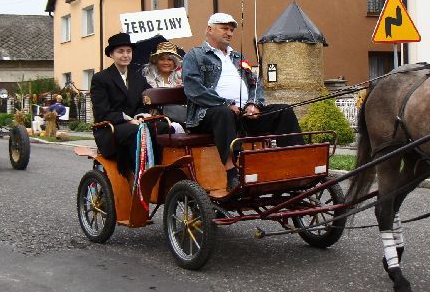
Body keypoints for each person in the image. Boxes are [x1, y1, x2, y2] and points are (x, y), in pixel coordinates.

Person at [182, 12, 303, 190]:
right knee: (224, 113)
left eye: (231, 30)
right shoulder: (195, 55)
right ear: (209, 29)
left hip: (244, 114)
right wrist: (226, 104)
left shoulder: (238, 57)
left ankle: (297, 165)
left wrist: (254, 105)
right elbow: (194, 89)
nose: (229, 33)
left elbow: (255, 83)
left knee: (283, 111)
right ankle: (232, 174)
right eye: (224, 28)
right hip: (208, 115)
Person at [90, 32, 168, 176]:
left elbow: (142, 103)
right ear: (111, 54)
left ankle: (159, 170)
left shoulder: (138, 77)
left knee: (163, 127)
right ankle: (138, 173)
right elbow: (102, 112)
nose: (125, 55)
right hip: (111, 128)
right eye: (120, 51)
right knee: (136, 131)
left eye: (129, 51)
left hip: (136, 123)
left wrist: (139, 115)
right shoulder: (100, 78)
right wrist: (128, 119)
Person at [142, 40, 187, 128]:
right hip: (158, 120)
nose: (166, 63)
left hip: (182, 119)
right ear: (156, 61)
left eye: (170, 59)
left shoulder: (182, 78)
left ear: (175, 62)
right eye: (162, 59)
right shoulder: (147, 80)